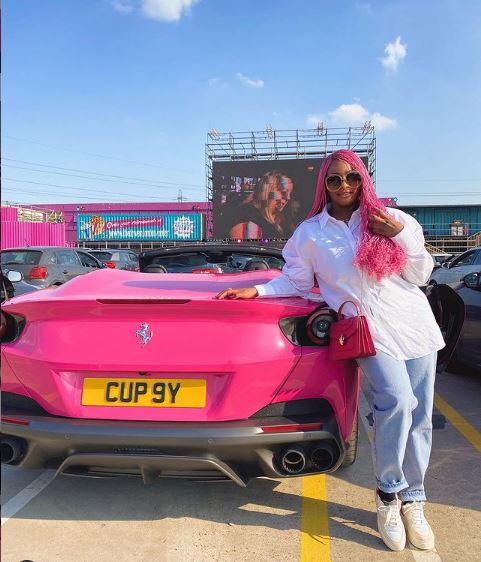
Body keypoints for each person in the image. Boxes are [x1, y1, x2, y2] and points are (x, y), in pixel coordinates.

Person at [216, 149, 443, 552]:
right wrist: (259, 290)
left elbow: (421, 273)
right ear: (324, 184)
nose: (344, 186)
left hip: (414, 325)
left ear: (363, 179)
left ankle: (415, 499)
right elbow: (296, 282)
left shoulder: (393, 219)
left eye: (352, 177)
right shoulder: (311, 233)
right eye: (335, 179)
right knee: (397, 402)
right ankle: (389, 493)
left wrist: (397, 234)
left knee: (420, 415)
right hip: (367, 331)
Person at [227, 171, 295, 239]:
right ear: (266, 190)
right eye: (283, 192)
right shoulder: (247, 217)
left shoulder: (282, 216)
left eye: (290, 193)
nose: (288, 198)